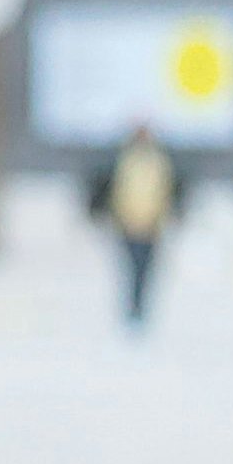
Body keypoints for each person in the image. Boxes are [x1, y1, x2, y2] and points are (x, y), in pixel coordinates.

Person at [85, 124, 184, 334]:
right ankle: (131, 309)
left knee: (146, 270)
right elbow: (104, 186)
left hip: (152, 225)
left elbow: (173, 188)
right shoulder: (120, 159)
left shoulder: (160, 160)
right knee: (130, 268)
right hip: (126, 223)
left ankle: (140, 309)